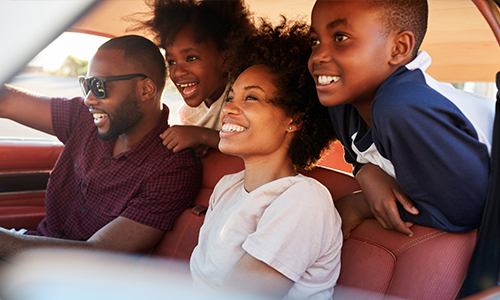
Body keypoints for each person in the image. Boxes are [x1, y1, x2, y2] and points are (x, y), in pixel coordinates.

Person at [0, 35, 202, 258]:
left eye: (99, 86)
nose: (88, 98)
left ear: (145, 90)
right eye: (86, 84)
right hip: (32, 245)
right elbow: (7, 100)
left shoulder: (173, 168)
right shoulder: (83, 118)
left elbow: (100, 253)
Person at [308, 0, 495, 239]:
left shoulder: (401, 107)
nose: (318, 56)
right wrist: (365, 171)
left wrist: (359, 205)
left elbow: (469, 210)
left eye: (341, 38)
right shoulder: (344, 104)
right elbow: (361, 155)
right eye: (314, 41)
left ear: (398, 48)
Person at [190, 19, 341, 299]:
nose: (229, 109)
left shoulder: (303, 200)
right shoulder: (227, 187)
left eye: (251, 99)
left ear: (294, 120)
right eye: (231, 97)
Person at [141, 0, 254, 156]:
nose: (178, 72)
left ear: (226, 59)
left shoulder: (246, 98)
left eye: (191, 58)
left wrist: (202, 136)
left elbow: (254, 143)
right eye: (172, 62)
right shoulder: (188, 114)